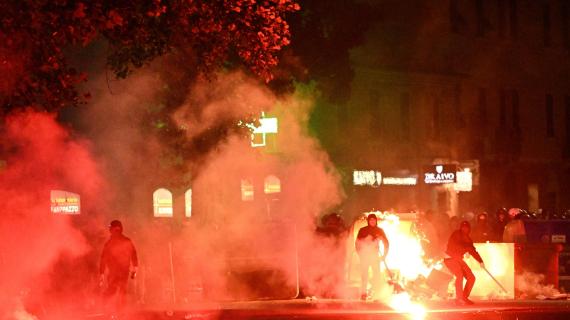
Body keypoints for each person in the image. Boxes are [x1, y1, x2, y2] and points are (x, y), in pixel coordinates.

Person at [444, 221, 485, 305]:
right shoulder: (456, 234)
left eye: (466, 228)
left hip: (458, 259)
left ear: (469, 229)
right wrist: (465, 249)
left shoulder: (468, 240)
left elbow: (473, 251)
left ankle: (464, 297)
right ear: (461, 228)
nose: (465, 229)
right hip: (450, 258)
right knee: (459, 275)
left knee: (471, 277)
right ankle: (458, 299)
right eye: (463, 227)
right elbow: (455, 245)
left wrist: (480, 261)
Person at [99, 220, 138, 306]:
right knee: (119, 291)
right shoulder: (124, 241)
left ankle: (110, 307)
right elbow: (133, 254)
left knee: (117, 291)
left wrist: (102, 273)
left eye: (111, 228)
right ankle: (116, 309)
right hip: (120, 272)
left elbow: (103, 259)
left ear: (116, 229)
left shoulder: (111, 243)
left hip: (119, 272)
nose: (111, 231)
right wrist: (135, 268)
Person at [355, 214, 389, 300]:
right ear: (368, 221)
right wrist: (359, 253)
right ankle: (363, 293)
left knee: (376, 275)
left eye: (374, 220)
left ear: (376, 221)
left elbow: (386, 243)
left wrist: (384, 255)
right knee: (364, 275)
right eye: (370, 220)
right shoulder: (363, 230)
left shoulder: (379, 230)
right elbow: (357, 243)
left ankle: (377, 294)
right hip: (364, 256)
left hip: (375, 256)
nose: (372, 221)